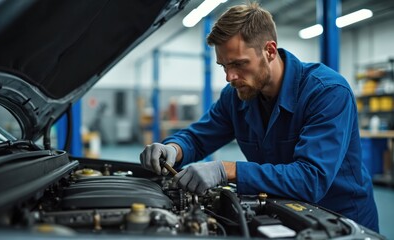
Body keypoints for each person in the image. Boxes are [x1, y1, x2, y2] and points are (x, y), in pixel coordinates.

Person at [140, 2, 379, 232]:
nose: (229, 76)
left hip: (340, 222)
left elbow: (311, 179)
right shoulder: (236, 95)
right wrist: (174, 148)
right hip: (281, 213)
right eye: (224, 66)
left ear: (270, 51)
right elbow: (199, 137)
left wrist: (228, 170)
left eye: (239, 64)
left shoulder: (326, 92)